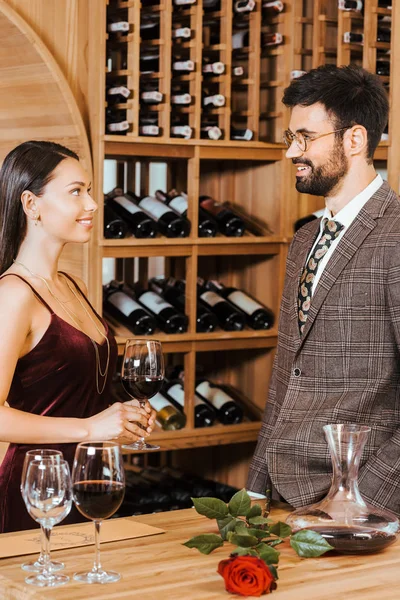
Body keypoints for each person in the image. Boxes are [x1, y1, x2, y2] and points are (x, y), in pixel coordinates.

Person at [247, 64, 400, 516]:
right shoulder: (305, 240)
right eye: (290, 138)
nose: (293, 151)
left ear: (354, 140)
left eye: (306, 138)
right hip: (285, 494)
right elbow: (286, 376)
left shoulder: (397, 236)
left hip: (363, 505)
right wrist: (255, 488)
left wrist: (361, 501)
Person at [0, 140, 156, 533]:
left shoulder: (73, 285)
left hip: (91, 477)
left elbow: (84, 389)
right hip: (35, 487)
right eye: (76, 192)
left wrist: (125, 415)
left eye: (88, 191)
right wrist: (92, 429)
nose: (91, 204)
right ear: (31, 204)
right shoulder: (13, 295)